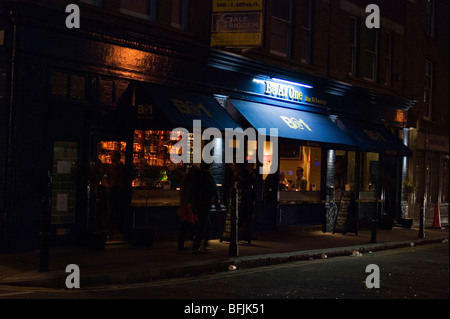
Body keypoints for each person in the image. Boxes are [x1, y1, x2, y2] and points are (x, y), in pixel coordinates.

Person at [188, 162, 220, 254]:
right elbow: (214, 188)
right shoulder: (209, 176)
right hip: (206, 202)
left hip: (196, 202)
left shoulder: (195, 176)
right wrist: (217, 198)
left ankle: (205, 243)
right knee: (203, 224)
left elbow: (190, 189)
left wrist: (190, 201)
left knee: (205, 222)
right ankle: (197, 246)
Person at [103, 150, 126, 240]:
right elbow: (105, 177)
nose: (111, 158)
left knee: (118, 211)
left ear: (117, 157)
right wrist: (107, 185)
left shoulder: (122, 168)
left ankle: (117, 231)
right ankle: (110, 231)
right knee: (111, 212)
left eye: (113, 156)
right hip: (112, 190)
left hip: (119, 191)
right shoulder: (109, 168)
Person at [177, 165, 198, 251]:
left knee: (184, 225)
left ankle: (181, 243)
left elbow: (181, 193)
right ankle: (193, 241)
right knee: (191, 224)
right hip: (190, 205)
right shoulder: (193, 182)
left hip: (183, 205)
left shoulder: (184, 181)